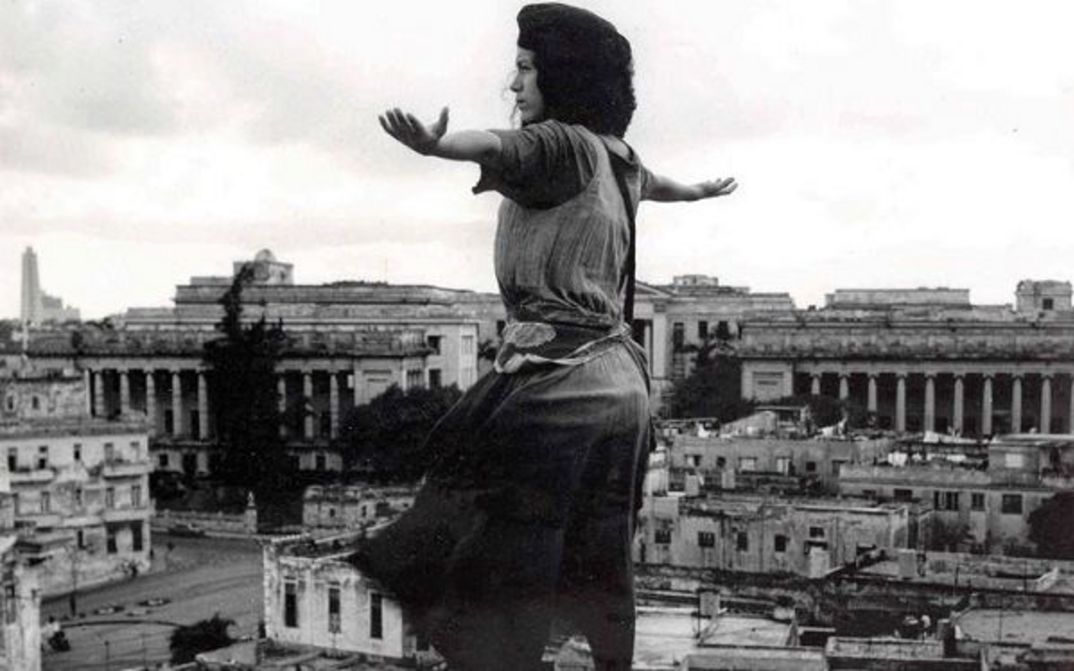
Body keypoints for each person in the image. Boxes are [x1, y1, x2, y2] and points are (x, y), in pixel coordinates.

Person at [355, 4, 737, 669]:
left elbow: (499, 146)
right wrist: (700, 191)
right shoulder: (621, 160)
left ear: (563, 75)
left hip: (562, 380)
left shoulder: (561, 144)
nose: (514, 84)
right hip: (622, 382)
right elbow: (660, 184)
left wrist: (434, 146)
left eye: (527, 69)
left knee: (480, 538)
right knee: (600, 546)